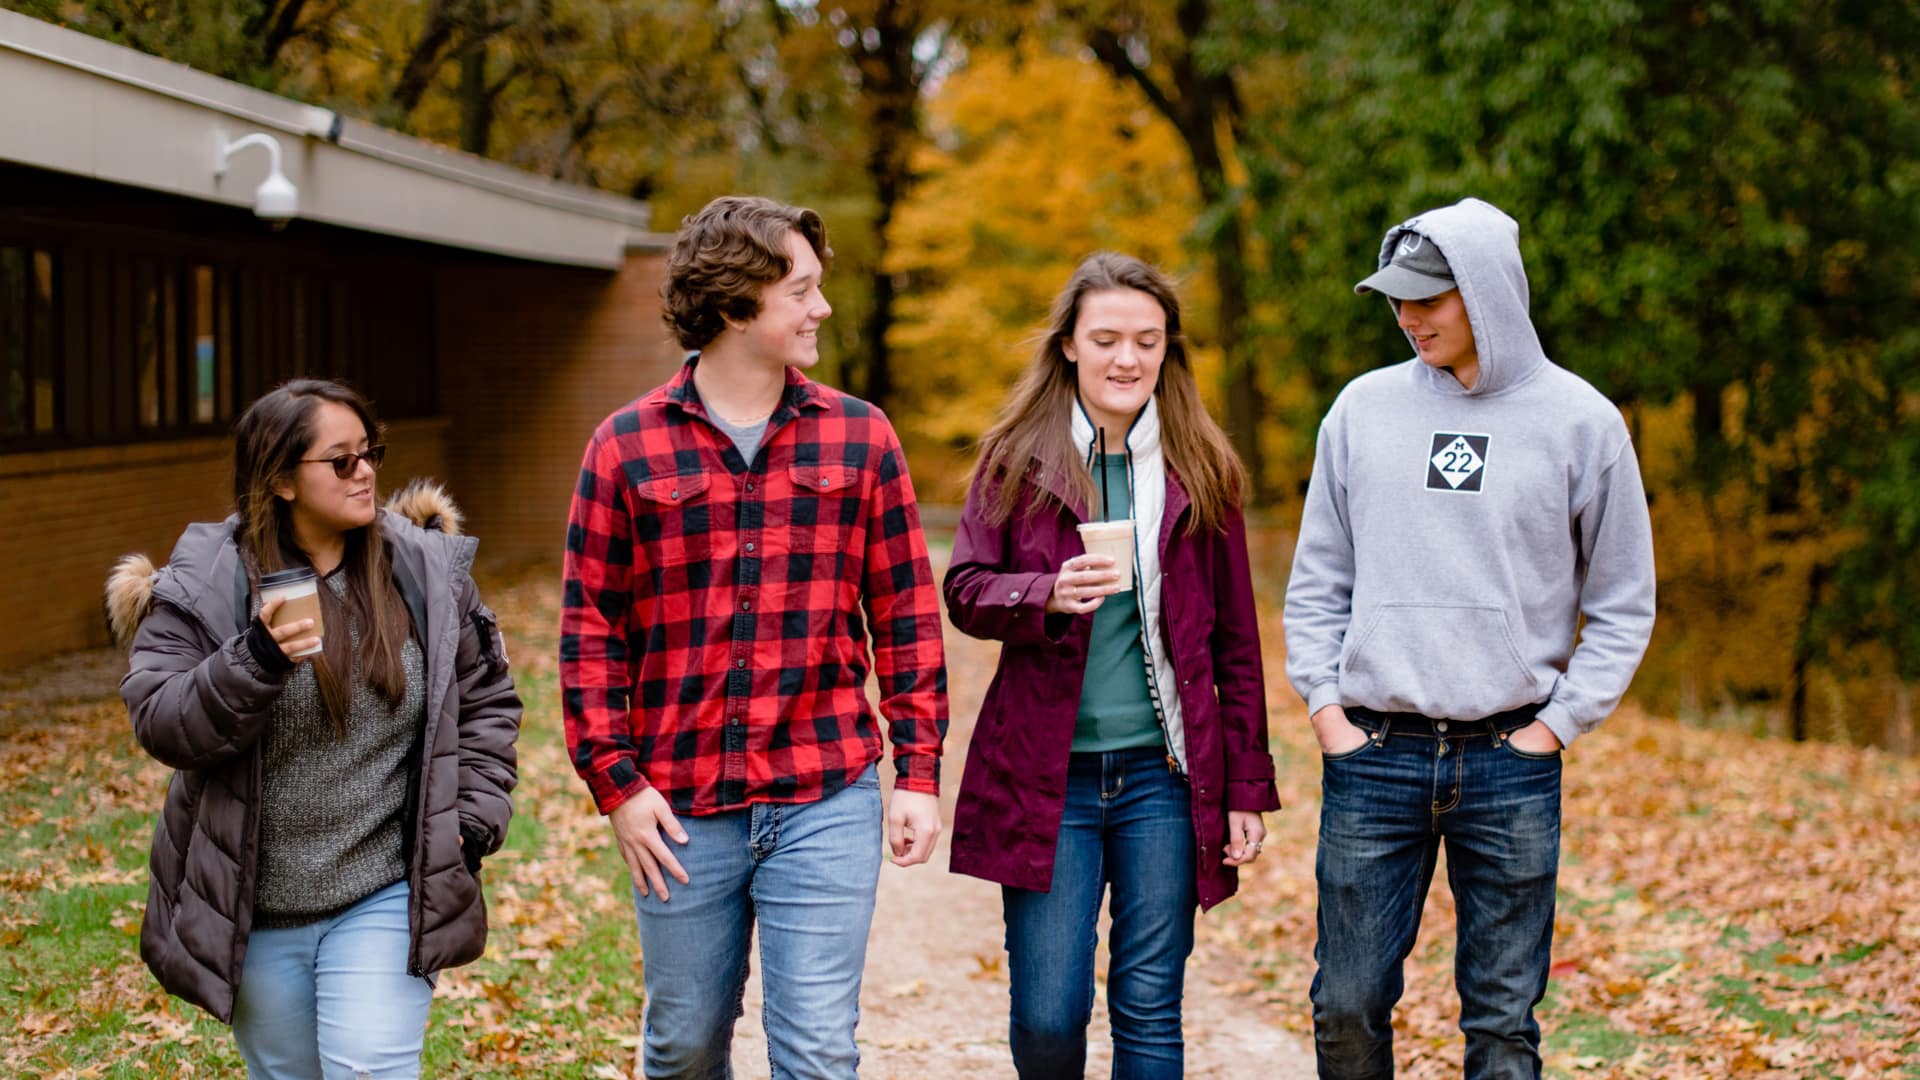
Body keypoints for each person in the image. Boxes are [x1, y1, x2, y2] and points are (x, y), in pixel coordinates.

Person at [559, 195, 948, 1077]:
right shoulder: (623, 449)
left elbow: (906, 616)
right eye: (801, 290)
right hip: (682, 808)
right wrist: (617, 787)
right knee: (684, 1047)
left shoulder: (862, 436)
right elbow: (587, 635)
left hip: (825, 793)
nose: (822, 308)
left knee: (815, 1049)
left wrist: (917, 774)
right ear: (736, 304)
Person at [1284, 197, 1657, 1077]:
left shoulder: (1583, 422)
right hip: (1374, 752)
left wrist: (1554, 728)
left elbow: (1623, 600)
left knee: (1501, 1025)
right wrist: (1327, 707)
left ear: (1487, 292)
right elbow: (1317, 582)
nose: (1408, 317)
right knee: (1345, 1008)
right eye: (1397, 299)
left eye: (1430, 298)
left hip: (1508, 759)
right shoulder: (1362, 409)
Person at [107, 379, 522, 1079]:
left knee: (369, 1067)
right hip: (256, 905)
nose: (365, 473)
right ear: (280, 480)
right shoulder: (206, 584)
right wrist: (256, 658)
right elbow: (164, 721)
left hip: (385, 890)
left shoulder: (422, 570)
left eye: (370, 454)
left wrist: (472, 816)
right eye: (340, 461)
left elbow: (486, 699)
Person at [943, 251, 1281, 1078]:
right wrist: (1045, 594)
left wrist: (1245, 787)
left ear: (1168, 351)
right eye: (1105, 339)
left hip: (1165, 780)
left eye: (1147, 340)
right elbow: (965, 590)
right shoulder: (1017, 457)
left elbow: (1236, 642)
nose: (1126, 359)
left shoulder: (1203, 471)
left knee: (1150, 1006)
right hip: (1046, 779)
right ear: (1068, 345)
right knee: (1051, 1017)